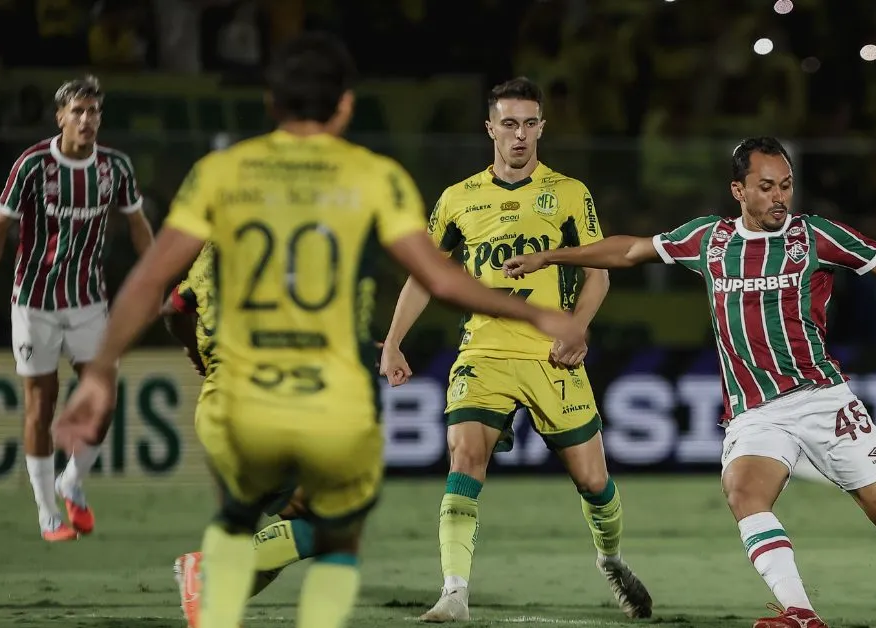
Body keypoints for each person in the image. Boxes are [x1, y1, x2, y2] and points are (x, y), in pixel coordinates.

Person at [51, 34, 584, 628]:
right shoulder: (373, 177)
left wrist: (99, 373)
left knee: (279, 518)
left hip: (231, 402)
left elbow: (153, 283)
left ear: (271, 103)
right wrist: (538, 312)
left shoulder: (219, 174)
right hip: (318, 396)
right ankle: (216, 571)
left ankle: (219, 581)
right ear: (347, 105)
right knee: (334, 526)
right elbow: (443, 278)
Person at [502, 137, 876, 628]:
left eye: (785, 185)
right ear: (739, 190)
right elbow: (629, 250)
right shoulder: (708, 240)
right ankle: (800, 612)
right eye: (766, 186)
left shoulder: (816, 237)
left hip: (822, 400)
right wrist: (551, 255)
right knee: (744, 492)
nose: (779, 197)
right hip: (755, 412)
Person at [379, 76, 652, 622]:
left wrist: (576, 328)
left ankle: (612, 559)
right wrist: (392, 343)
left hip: (552, 355)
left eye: (530, 123)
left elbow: (598, 272)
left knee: (594, 483)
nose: (520, 134)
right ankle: (454, 592)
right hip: (482, 353)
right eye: (509, 123)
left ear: (542, 127)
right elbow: (424, 275)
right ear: (490, 129)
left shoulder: (571, 194)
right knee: (465, 458)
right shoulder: (458, 199)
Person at [0, 75, 154, 542]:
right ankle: (48, 513)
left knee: (104, 396)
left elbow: (137, 225)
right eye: (78, 112)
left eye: (94, 112)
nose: (87, 120)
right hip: (34, 303)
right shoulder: (32, 165)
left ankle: (72, 480)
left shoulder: (115, 168)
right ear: (60, 117)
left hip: (89, 301)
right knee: (41, 402)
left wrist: (153, 280)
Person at [161, 243, 318, 627]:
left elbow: (173, 309)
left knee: (302, 522)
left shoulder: (206, 258)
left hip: (217, 407)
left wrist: (196, 354)